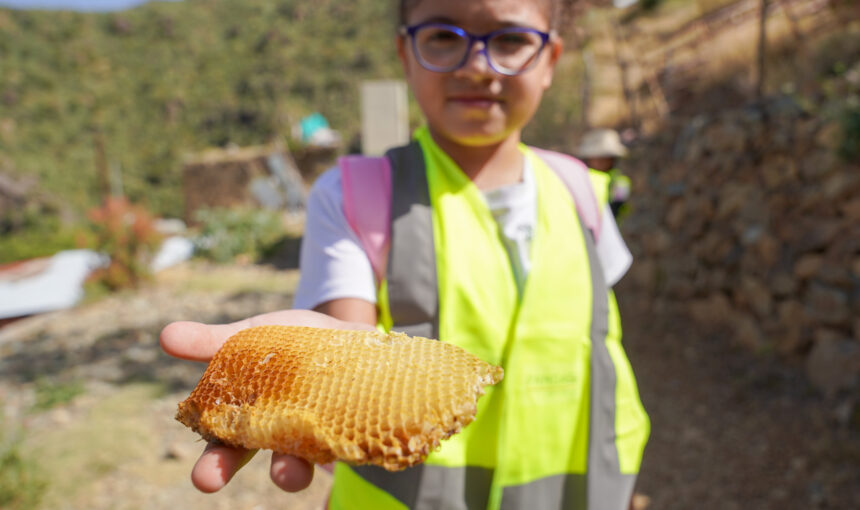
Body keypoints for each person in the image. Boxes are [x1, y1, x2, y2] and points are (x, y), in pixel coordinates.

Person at [161, 0, 650, 508]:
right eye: (443, 36)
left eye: (509, 40)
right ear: (404, 52)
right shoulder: (352, 196)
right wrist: (316, 370)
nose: (477, 65)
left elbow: (599, 332)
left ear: (550, 59)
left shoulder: (582, 191)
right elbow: (347, 336)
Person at [577, 128, 632, 220]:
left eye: (605, 158)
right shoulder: (579, 178)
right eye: (597, 158)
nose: (600, 162)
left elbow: (616, 210)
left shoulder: (620, 182)